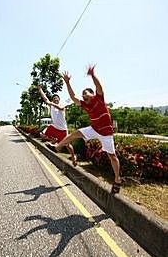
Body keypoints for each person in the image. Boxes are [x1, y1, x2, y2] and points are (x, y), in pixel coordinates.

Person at [46, 65, 122, 193]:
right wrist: (67, 83)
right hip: (94, 128)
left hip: (106, 133)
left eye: (85, 94)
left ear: (92, 94)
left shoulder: (99, 98)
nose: (83, 97)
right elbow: (73, 97)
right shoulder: (85, 105)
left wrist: (92, 75)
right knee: (74, 134)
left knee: (112, 156)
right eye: (83, 95)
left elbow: (99, 87)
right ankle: (57, 147)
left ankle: (117, 179)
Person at [37, 85, 77, 166]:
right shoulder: (51, 106)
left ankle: (73, 157)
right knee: (41, 135)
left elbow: (60, 108)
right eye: (54, 98)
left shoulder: (62, 105)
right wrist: (40, 89)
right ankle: (54, 140)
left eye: (57, 98)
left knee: (67, 145)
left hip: (62, 129)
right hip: (54, 127)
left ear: (59, 100)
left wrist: (51, 103)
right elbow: (45, 98)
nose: (55, 99)